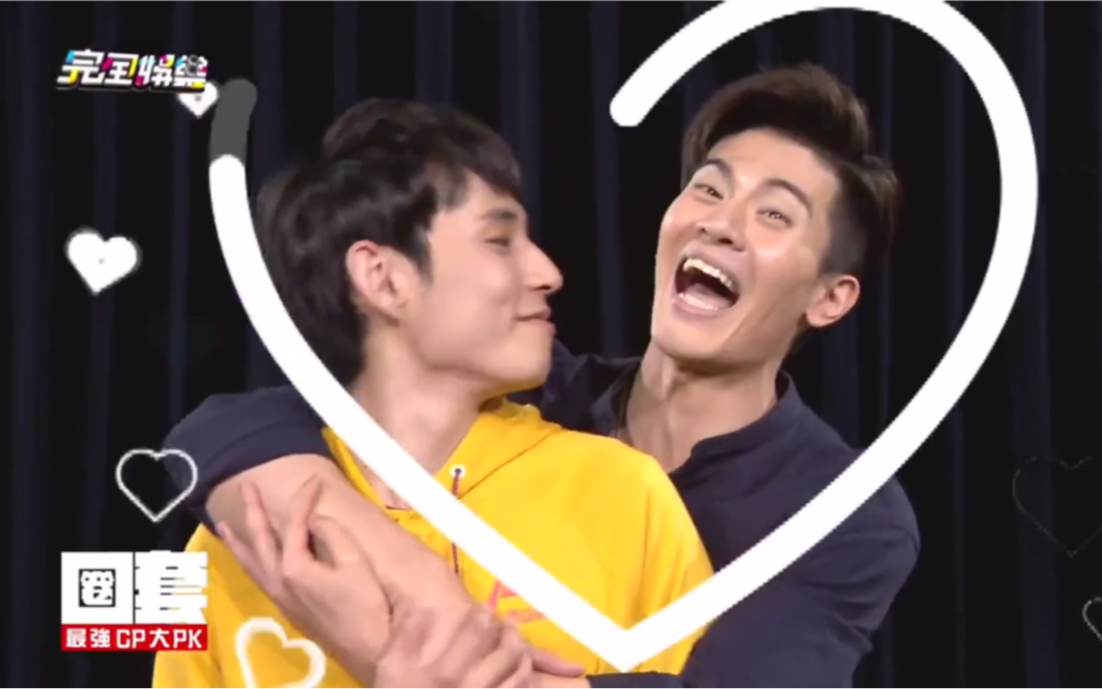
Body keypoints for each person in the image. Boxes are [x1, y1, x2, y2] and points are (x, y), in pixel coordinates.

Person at [164, 63, 919, 687]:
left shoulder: (847, 514)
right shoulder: (518, 380)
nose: (719, 222)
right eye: (710, 188)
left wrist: (403, 649)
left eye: (775, 215)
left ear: (830, 298)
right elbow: (225, 429)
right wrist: (391, 559)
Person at [152, 98, 713, 688]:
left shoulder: (620, 494)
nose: (548, 273)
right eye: (499, 240)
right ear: (383, 278)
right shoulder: (239, 536)